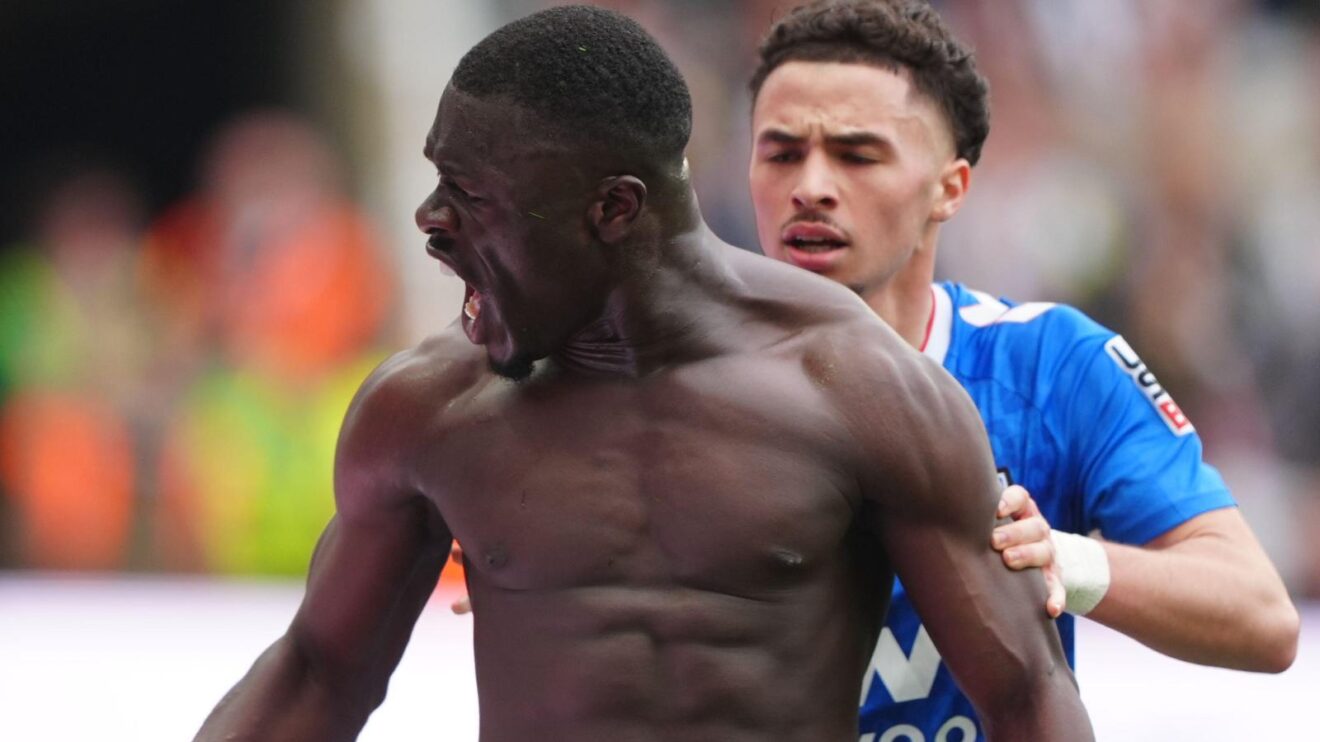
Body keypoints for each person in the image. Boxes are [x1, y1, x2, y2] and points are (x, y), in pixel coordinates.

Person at [194, 6, 1094, 741]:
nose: (430, 222)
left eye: (472, 197)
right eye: (438, 182)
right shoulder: (431, 408)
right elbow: (318, 673)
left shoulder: (855, 388)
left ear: (614, 209)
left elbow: (1024, 701)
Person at [744, 1, 1300, 739]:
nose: (810, 186)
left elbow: (1261, 616)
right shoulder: (667, 379)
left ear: (951, 187)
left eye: (856, 155)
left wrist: (1063, 563)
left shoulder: (1050, 365)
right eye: (781, 153)